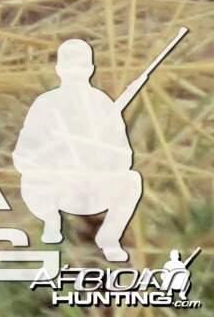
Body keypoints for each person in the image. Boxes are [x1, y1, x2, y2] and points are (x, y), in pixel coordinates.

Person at [13, 39, 147, 262]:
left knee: (131, 181)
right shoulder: (45, 105)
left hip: (95, 185)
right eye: (70, 67)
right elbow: (22, 157)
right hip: (56, 186)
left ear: (90, 69)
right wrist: (56, 161)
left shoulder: (103, 104)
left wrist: (100, 158)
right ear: (59, 69)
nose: (75, 73)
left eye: (81, 67)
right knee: (32, 181)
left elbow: (124, 157)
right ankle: (52, 226)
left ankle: (109, 237)